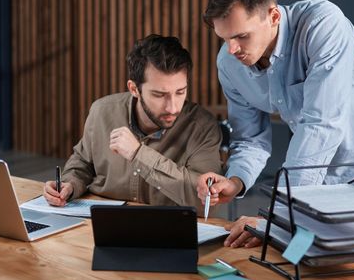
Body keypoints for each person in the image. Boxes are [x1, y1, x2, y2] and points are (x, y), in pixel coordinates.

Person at [197, 0, 354, 245]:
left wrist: (278, 218)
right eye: (225, 38)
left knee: (353, 265)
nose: (233, 49)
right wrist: (235, 181)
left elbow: (321, 125)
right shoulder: (229, 63)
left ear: (273, 16)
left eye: (241, 36)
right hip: (314, 174)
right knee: (298, 255)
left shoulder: (322, 24)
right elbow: (250, 139)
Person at [44, 34, 223, 216]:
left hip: (168, 232)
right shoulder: (102, 111)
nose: (172, 107)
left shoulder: (202, 127)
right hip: (97, 225)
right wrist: (69, 185)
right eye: (159, 95)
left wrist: (139, 154)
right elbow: (82, 162)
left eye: (180, 92)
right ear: (134, 89)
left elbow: (204, 201)